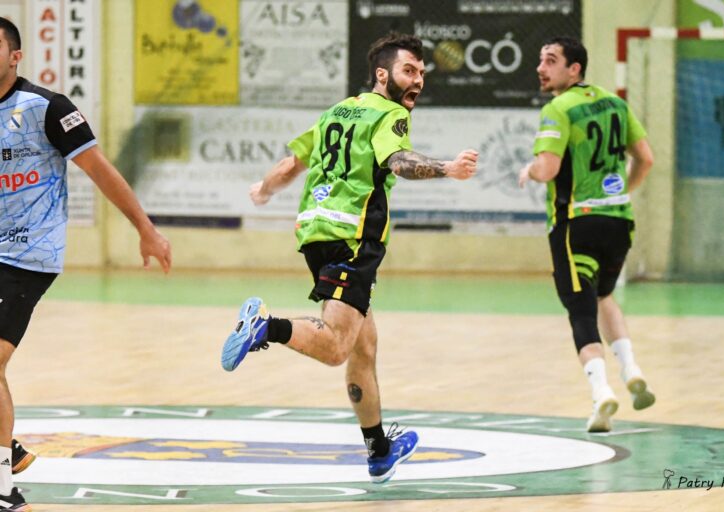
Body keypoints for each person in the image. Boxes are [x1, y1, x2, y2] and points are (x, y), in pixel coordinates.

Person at [220, 32, 478, 482]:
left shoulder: (336, 112)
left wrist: (264, 189)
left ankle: (379, 450)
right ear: (382, 75)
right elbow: (398, 162)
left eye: (421, 72)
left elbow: (291, 165)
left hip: (314, 232)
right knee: (339, 346)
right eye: (408, 71)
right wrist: (447, 168)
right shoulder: (391, 114)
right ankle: (264, 327)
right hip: (354, 237)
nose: (418, 80)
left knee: (364, 344)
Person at [0, 17, 172, 510]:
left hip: (28, 254)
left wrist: (145, 228)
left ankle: (3, 489)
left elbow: (100, 169)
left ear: (15, 56)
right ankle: (8, 448)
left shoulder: (47, 108)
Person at [518, 36, 655, 433]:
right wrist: (621, 193)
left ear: (574, 69)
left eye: (551, 60)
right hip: (619, 221)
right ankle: (631, 369)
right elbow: (646, 159)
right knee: (603, 296)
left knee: (580, 310)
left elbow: (548, 168)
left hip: (576, 224)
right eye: (540, 60)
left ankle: (601, 393)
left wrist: (530, 170)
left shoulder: (559, 109)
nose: (540, 68)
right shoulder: (615, 103)